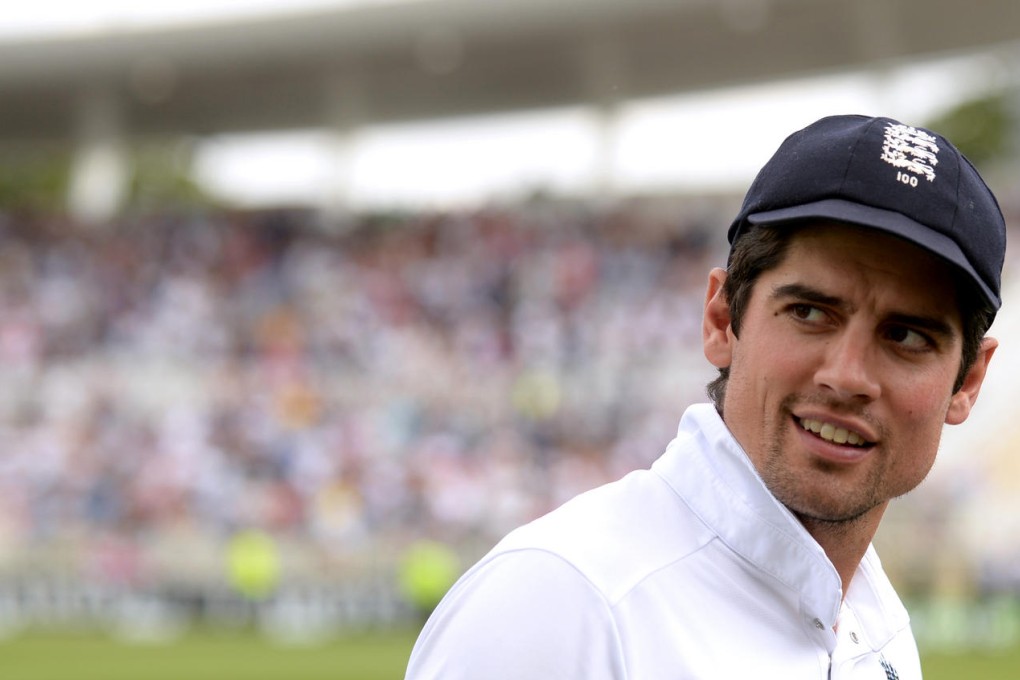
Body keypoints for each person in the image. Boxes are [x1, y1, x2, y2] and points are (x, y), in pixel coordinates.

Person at [404, 114, 1007, 679]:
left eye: (905, 336)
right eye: (810, 312)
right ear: (722, 320)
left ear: (968, 382)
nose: (847, 376)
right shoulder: (565, 604)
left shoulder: (876, 623)